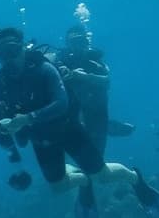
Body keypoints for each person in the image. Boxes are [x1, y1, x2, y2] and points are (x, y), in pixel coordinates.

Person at [0, 26, 159, 218]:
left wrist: (26, 119)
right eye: (2, 54)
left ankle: (136, 179)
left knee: (103, 175)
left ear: (23, 48)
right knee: (59, 187)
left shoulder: (43, 69)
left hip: (69, 130)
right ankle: (83, 180)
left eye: (12, 50)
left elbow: (61, 103)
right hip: (42, 139)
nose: (9, 58)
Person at [48, 21, 136, 153]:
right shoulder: (60, 59)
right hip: (68, 108)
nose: (78, 46)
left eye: (81, 41)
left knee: (96, 150)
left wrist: (86, 77)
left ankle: (102, 127)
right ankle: (99, 128)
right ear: (67, 43)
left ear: (87, 42)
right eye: (74, 42)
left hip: (93, 106)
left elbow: (106, 81)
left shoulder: (95, 61)